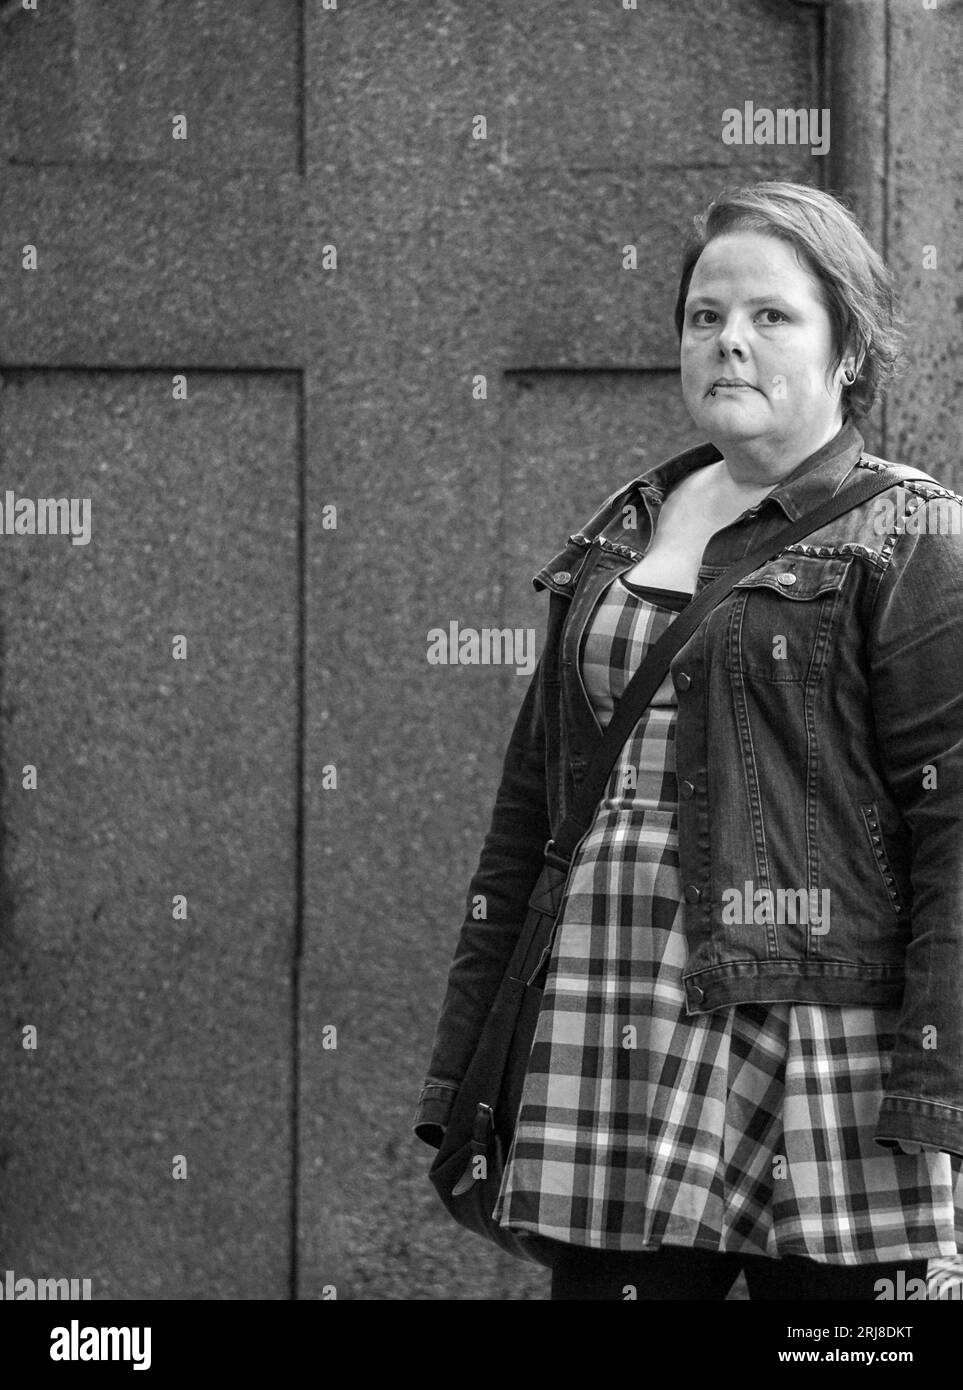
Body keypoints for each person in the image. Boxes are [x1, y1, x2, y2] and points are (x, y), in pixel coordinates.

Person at [414, 180, 963, 1300]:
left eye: (772, 316)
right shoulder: (621, 528)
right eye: (705, 316)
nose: (729, 342)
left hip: (820, 1043)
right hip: (602, 1021)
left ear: (848, 348)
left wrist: (935, 1080)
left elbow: (955, 825)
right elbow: (531, 816)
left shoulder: (912, 533)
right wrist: (466, 1055)